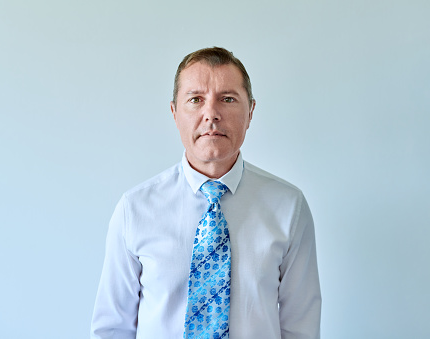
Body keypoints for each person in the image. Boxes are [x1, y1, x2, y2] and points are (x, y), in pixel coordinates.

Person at [91, 47, 321, 338]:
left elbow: (300, 327)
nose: (211, 114)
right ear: (175, 113)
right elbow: (112, 328)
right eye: (195, 99)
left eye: (227, 99)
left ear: (250, 112)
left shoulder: (289, 208)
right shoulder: (134, 210)